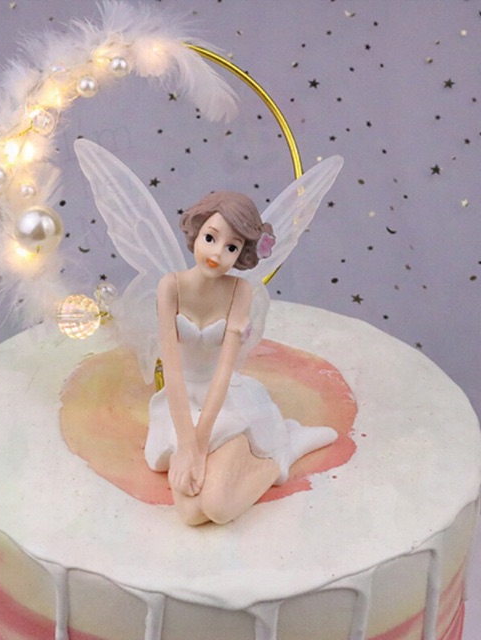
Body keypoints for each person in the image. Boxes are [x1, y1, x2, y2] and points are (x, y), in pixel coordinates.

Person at [144, 191, 337, 525]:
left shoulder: (239, 291)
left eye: (231, 247)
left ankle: (278, 456)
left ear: (242, 253)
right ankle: (254, 456)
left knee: (217, 508)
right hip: (180, 405)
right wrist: (187, 445)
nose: (217, 254)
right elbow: (172, 371)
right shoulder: (170, 287)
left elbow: (224, 370)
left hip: (223, 400)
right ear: (196, 232)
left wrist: (200, 444)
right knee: (190, 514)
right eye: (210, 238)